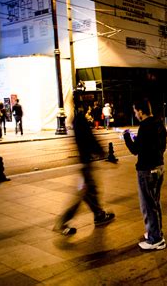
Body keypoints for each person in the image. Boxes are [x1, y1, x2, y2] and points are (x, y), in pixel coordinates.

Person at [53, 92, 115, 236]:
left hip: (84, 162)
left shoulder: (76, 119)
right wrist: (102, 153)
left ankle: (99, 214)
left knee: (90, 190)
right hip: (85, 163)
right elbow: (89, 139)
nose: (89, 104)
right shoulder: (80, 119)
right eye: (86, 101)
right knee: (83, 193)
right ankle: (62, 222)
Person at [123, 99, 167, 250]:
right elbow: (160, 146)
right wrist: (139, 140)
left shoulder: (145, 126)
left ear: (141, 111)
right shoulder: (159, 123)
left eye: (135, 111)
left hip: (147, 170)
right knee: (155, 203)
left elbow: (136, 150)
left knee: (148, 205)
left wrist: (127, 137)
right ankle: (156, 232)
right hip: (159, 167)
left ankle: (156, 239)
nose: (135, 114)